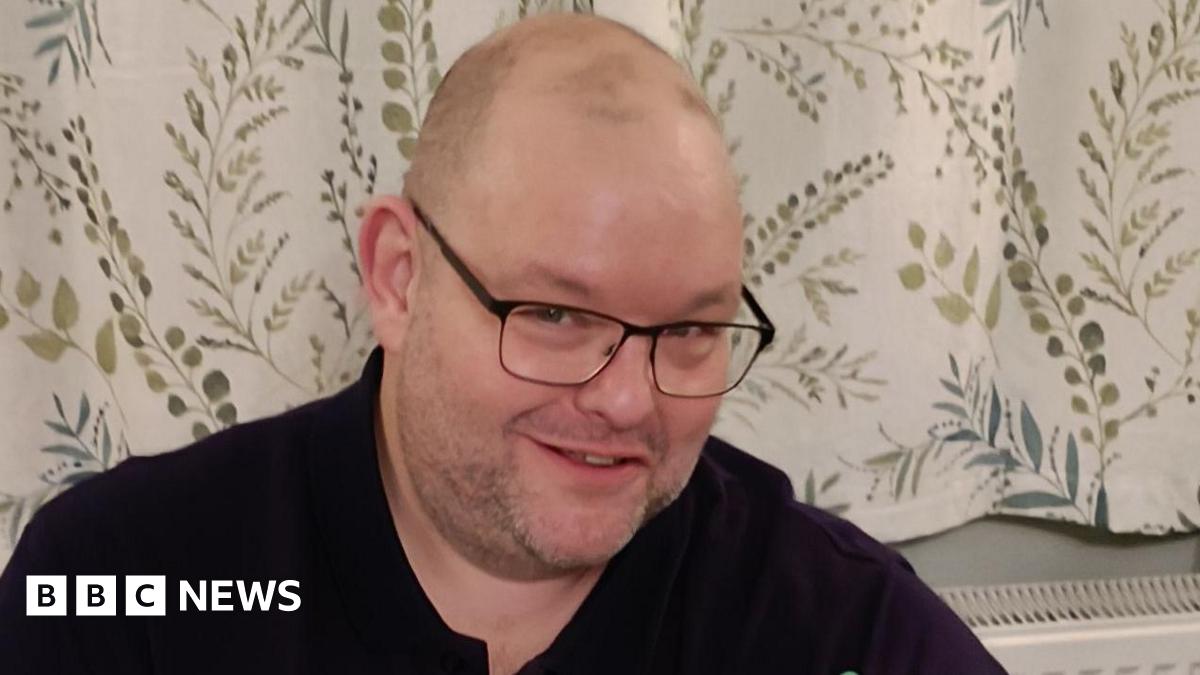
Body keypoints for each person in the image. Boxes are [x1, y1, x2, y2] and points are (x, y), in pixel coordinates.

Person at [0, 13, 1006, 675]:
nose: (627, 403)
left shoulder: (839, 628)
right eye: (557, 316)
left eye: (692, 331)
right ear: (398, 275)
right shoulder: (119, 583)